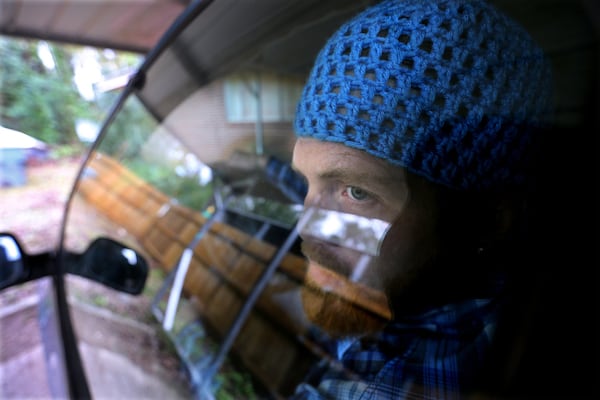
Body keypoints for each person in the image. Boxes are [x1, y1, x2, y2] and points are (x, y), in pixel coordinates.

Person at [288, 0, 554, 398]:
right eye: (305, 182)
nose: (306, 229)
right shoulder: (397, 289)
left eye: (357, 193)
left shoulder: (411, 380)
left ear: (487, 221)